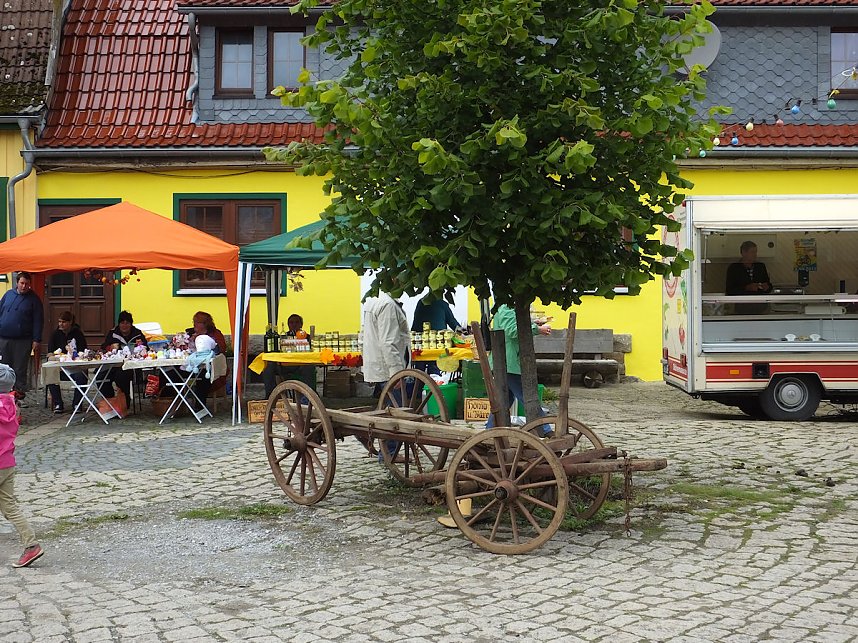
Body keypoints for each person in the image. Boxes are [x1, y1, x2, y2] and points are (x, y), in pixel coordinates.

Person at [0, 363, 44, 568]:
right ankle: (31, 545)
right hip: (7, 463)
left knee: (9, 507)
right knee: (10, 507)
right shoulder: (12, 405)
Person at [485, 304, 551, 432]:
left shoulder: (508, 304)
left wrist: (533, 324)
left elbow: (513, 324)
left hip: (508, 361)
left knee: (503, 401)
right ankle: (546, 430)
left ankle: (489, 432)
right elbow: (512, 330)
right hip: (509, 362)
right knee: (528, 397)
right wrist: (536, 329)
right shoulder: (506, 305)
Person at [362, 292, 410, 460]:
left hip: (377, 363)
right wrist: (396, 372)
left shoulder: (372, 302)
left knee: (387, 408)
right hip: (387, 367)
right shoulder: (387, 305)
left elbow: (364, 336)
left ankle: (366, 431)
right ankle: (388, 452)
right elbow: (388, 342)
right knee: (396, 411)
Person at [0, 272, 44, 404]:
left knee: (19, 368)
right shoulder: (8, 295)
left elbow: (38, 320)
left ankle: (18, 396)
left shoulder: (34, 299)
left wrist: (37, 339)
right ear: (17, 283)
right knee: (4, 367)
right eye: (22, 283)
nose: (24, 286)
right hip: (4, 337)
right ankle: (4, 395)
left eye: (27, 284)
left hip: (22, 339)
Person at [263, 314, 314, 398]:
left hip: (300, 366)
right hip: (284, 366)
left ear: (301, 324)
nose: (294, 324)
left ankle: (308, 396)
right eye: (291, 322)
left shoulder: (308, 337)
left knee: (309, 367)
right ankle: (271, 396)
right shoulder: (283, 337)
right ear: (288, 325)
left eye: (297, 322)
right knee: (268, 367)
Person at [100, 310, 148, 401]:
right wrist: (110, 347)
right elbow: (103, 347)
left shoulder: (137, 333)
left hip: (131, 366)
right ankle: (110, 400)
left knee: (121, 376)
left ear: (131, 324)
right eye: (122, 323)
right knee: (101, 377)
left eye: (127, 323)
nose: (124, 325)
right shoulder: (113, 333)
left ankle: (125, 401)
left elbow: (146, 348)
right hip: (112, 365)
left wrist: (141, 346)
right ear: (119, 324)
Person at [46, 311, 88, 414]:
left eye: (64, 322)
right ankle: (58, 403)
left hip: (75, 366)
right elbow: (50, 353)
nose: (61, 324)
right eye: (59, 321)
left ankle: (77, 403)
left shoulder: (78, 334)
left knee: (82, 375)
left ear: (70, 322)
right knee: (50, 372)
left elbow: (83, 351)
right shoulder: (55, 334)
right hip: (60, 367)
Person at [186, 311, 227, 402]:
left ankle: (200, 405)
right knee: (171, 373)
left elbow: (220, 349)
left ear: (205, 324)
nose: (195, 325)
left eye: (197, 322)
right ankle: (172, 403)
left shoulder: (215, 334)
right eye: (194, 322)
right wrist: (189, 341)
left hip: (209, 366)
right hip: (191, 365)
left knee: (203, 376)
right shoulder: (190, 333)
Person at [725, 241, 772, 315]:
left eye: (756, 252)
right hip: (742, 309)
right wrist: (746, 288)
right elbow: (730, 290)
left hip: (761, 308)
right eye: (752, 252)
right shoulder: (734, 268)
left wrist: (767, 287)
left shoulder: (760, 266)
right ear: (744, 253)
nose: (755, 255)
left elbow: (768, 285)